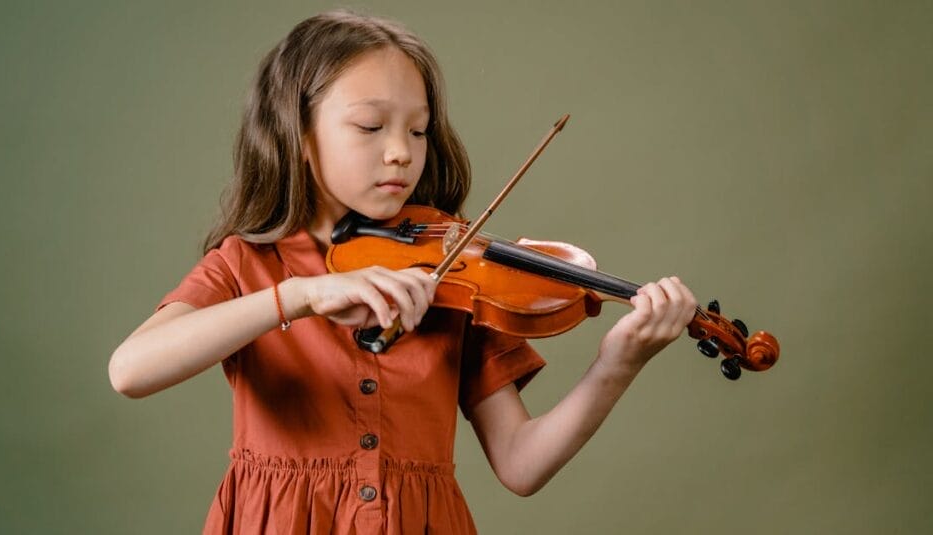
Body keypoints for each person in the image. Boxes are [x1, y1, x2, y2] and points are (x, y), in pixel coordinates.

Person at [108, 9, 697, 534]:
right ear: (299, 134)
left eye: (417, 130)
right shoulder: (248, 264)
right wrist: (301, 296)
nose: (402, 152)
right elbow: (131, 370)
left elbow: (522, 464)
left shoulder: (456, 273)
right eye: (371, 126)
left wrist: (617, 364)